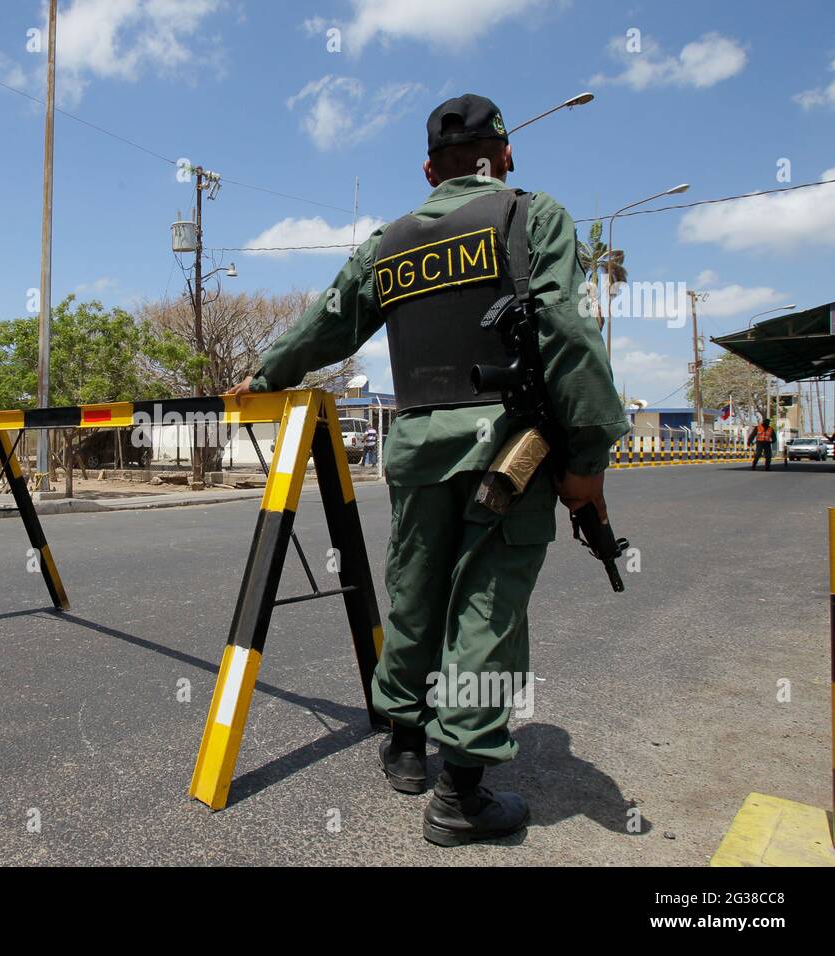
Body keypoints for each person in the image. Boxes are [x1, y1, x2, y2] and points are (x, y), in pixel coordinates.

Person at [226, 94, 628, 846]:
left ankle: (406, 744)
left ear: (427, 170)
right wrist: (588, 457)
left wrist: (267, 371)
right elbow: (564, 330)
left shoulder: (391, 241)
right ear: (505, 155)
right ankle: (461, 792)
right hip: (506, 449)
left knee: (413, 587)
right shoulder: (530, 216)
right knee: (486, 604)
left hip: (416, 447)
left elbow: (328, 320)